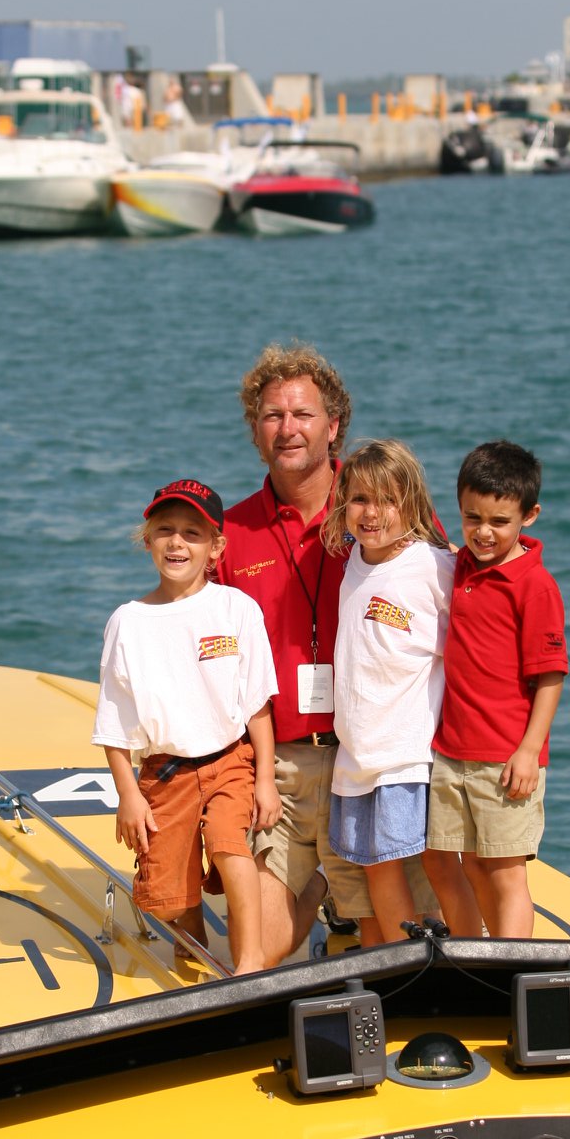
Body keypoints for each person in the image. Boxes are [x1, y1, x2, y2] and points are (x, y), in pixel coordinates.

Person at [219, 345, 439, 965]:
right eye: (271, 416)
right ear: (256, 432)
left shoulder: (381, 509)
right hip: (279, 767)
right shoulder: (231, 533)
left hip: (370, 760)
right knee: (257, 951)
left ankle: (339, 888)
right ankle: (320, 882)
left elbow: (456, 598)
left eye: (303, 414)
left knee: (405, 938)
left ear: (334, 425)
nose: (288, 428)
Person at [93, 478, 281, 975]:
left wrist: (264, 780)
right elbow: (114, 724)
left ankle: (251, 963)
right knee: (168, 898)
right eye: (166, 530)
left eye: (193, 533)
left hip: (231, 761)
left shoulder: (236, 609)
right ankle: (192, 948)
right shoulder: (127, 622)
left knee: (230, 848)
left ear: (216, 546)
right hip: (164, 773)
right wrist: (128, 794)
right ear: (148, 538)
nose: (178, 543)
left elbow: (258, 705)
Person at [423, 440, 568, 940]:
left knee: (504, 872)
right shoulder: (461, 564)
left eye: (499, 522)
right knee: (449, 862)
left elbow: (550, 676)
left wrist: (529, 752)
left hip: (506, 759)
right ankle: (473, 954)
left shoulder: (536, 586)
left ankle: (512, 970)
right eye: (472, 517)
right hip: (450, 751)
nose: (483, 533)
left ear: (529, 516)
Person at [323, 441, 455, 945]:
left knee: (426, 868)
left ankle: (454, 954)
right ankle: (393, 964)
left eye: (387, 500)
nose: (372, 513)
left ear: (413, 503)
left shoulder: (434, 567)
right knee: (376, 867)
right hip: (357, 754)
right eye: (359, 499)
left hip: (405, 754)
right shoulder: (352, 560)